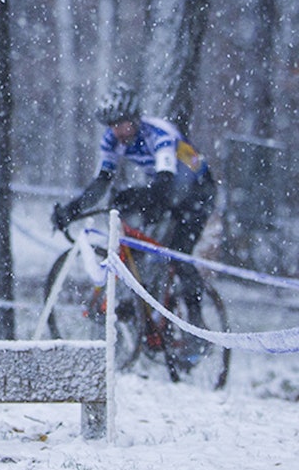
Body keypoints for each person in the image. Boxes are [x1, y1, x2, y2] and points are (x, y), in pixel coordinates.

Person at [51, 82, 217, 326]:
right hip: (169, 190)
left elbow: (164, 182)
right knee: (135, 241)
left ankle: (196, 320)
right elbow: (101, 182)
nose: (116, 131)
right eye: (111, 125)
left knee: (178, 253)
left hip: (197, 192)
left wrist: (137, 195)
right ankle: (142, 298)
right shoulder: (112, 140)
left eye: (120, 123)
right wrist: (72, 209)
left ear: (135, 118)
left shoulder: (160, 134)